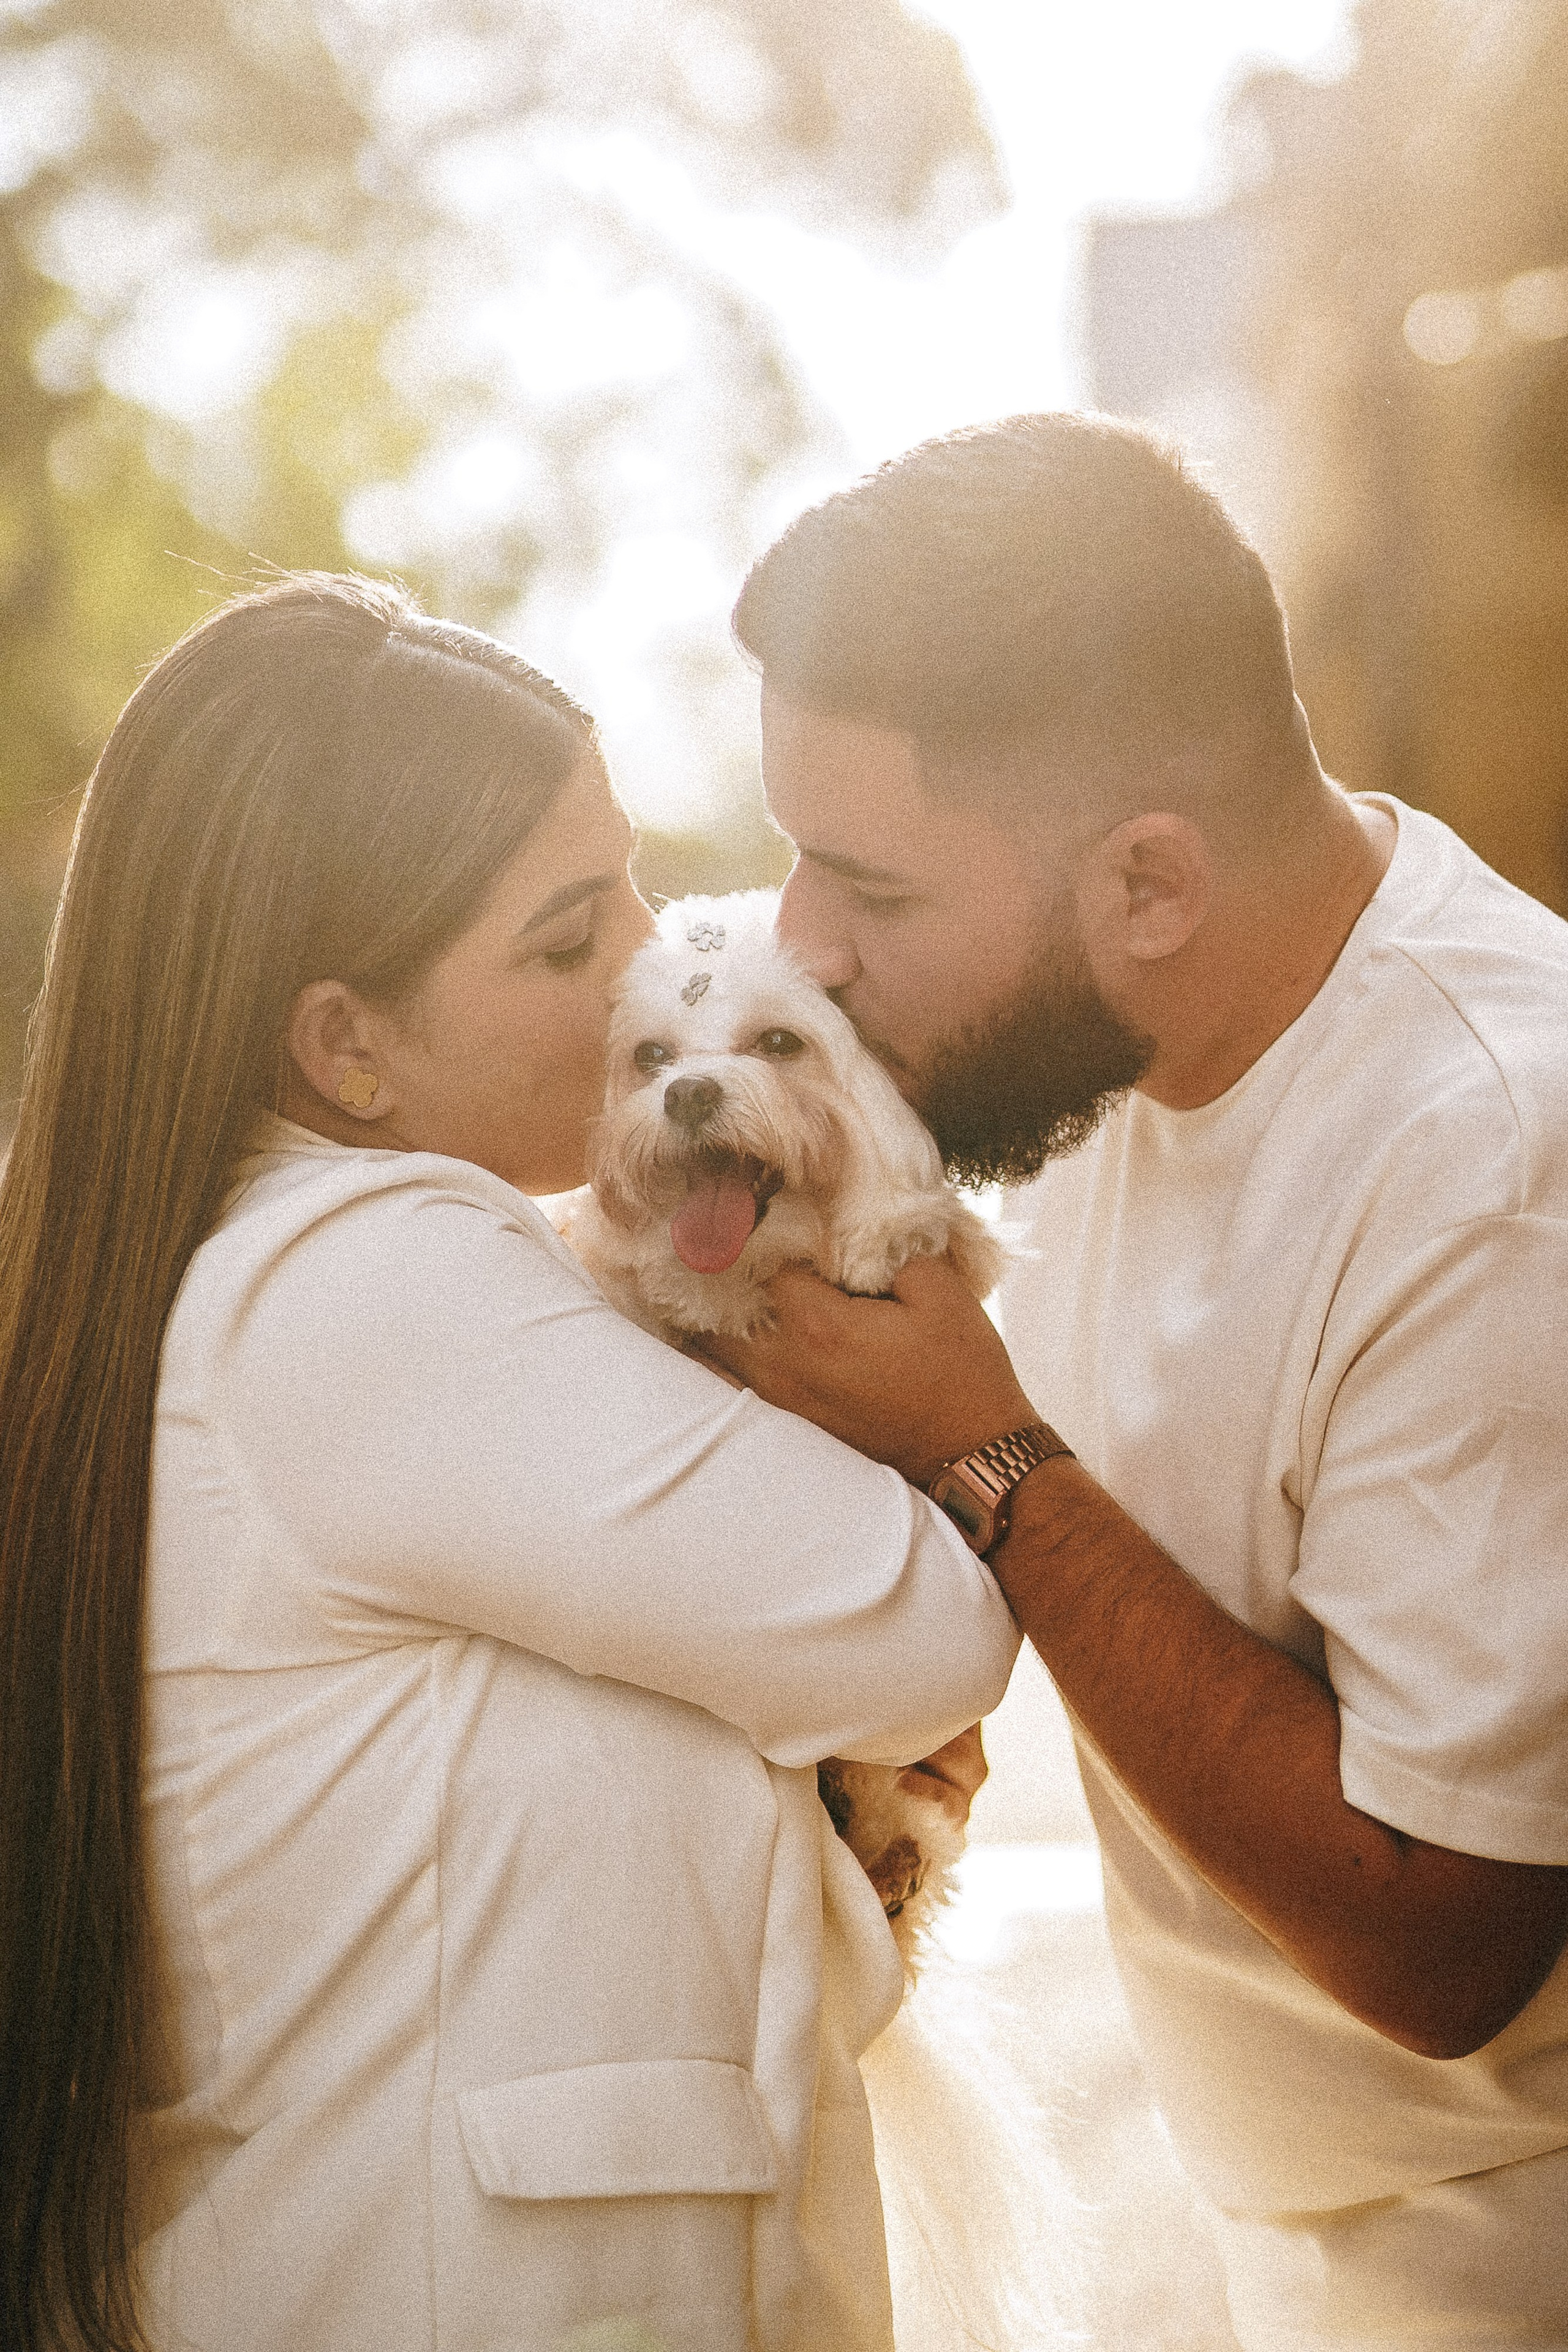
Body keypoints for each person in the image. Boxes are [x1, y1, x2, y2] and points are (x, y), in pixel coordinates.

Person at [0, 571, 1018, 2352]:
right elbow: (923, 1629)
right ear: (347, 1047)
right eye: (568, 940)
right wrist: (971, 1425)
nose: (649, 962)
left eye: (630, 877)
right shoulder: (373, 1279)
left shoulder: (244, 1270)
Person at [707, 412, 1568, 2348]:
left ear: (1150, 885)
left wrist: (986, 1454)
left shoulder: (1502, 1153)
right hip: (1290, 2232)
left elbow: (1445, 1937)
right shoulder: (1077, 1069)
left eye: (872, 886)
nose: (800, 946)